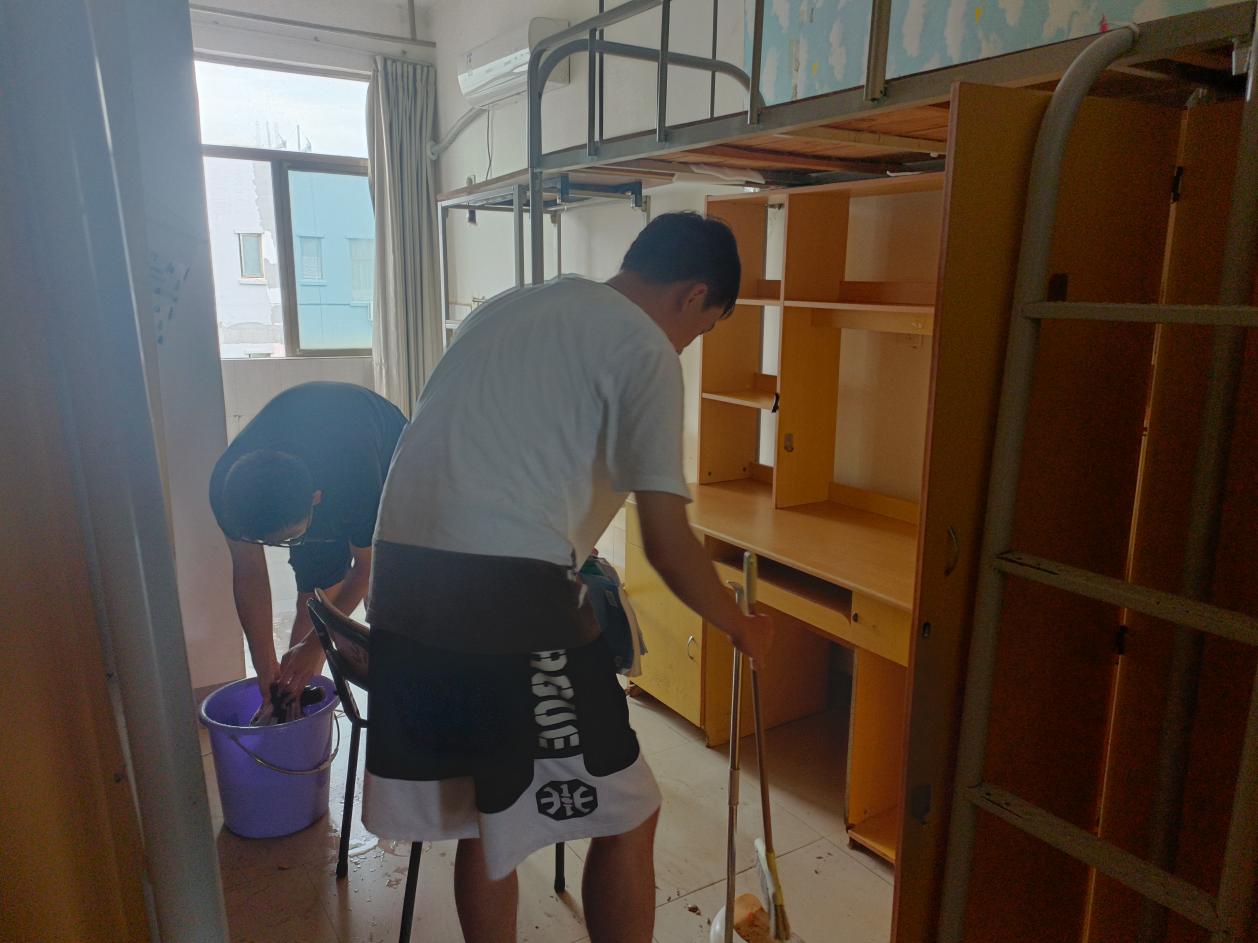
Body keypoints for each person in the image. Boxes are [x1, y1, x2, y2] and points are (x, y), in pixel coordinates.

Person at [363, 212, 774, 943]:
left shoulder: (513, 305)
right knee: (629, 813)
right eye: (702, 328)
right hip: (499, 596)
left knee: (489, 810)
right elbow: (667, 542)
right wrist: (739, 622)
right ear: (693, 295)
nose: (688, 344)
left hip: (397, 583)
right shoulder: (644, 346)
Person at [209, 381, 406, 706]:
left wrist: (315, 645)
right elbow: (249, 572)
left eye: (289, 539)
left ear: (315, 499)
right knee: (315, 592)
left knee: (387, 598)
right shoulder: (228, 490)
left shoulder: (355, 482)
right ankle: (294, 700)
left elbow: (368, 569)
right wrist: (265, 666)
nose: (285, 547)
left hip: (386, 446)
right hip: (312, 451)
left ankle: (395, 696)